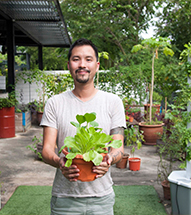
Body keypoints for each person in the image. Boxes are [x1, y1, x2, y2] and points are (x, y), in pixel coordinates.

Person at [40, 38, 126, 215]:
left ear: (97, 65)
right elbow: (47, 149)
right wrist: (60, 163)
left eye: (88, 59)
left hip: (101, 198)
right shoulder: (55, 103)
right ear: (69, 65)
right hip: (64, 198)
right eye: (76, 59)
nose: (82, 64)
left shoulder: (113, 102)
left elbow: (118, 147)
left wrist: (109, 159)